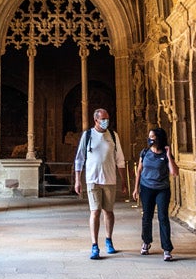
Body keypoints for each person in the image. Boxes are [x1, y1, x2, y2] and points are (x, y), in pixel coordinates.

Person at [73, 107, 126, 259]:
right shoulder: (88, 135)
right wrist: (78, 180)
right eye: (103, 119)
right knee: (95, 211)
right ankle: (94, 245)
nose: (106, 121)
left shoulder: (113, 136)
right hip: (93, 179)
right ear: (95, 120)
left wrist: (124, 180)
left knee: (108, 211)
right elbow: (79, 158)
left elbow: (120, 160)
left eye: (107, 118)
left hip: (109, 179)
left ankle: (108, 240)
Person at [130, 126, 179, 261]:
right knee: (147, 216)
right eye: (149, 136)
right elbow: (139, 170)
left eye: (152, 137)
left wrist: (169, 155)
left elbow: (174, 173)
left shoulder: (165, 154)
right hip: (146, 188)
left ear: (158, 138)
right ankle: (146, 242)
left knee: (163, 217)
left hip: (162, 189)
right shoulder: (145, 152)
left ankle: (167, 249)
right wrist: (136, 189)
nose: (150, 139)